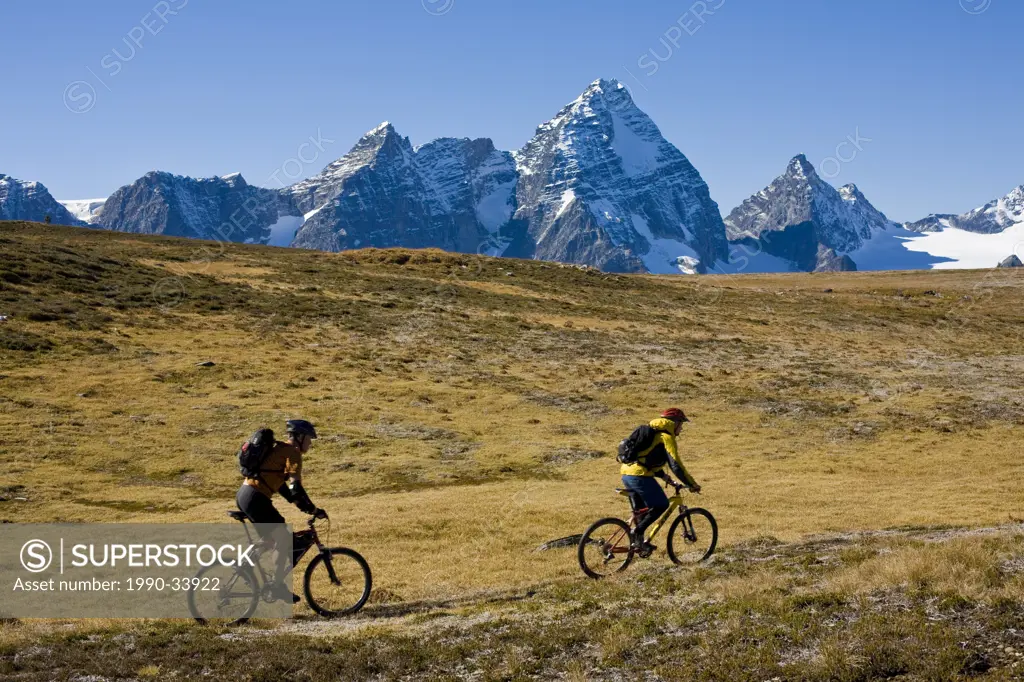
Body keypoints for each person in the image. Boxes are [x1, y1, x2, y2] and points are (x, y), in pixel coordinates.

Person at [235, 419, 327, 603]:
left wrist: (298, 503)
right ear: (299, 437)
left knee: (271, 538)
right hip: (255, 497)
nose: (310, 443)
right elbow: (295, 488)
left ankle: (245, 565)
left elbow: (281, 486)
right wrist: (313, 509)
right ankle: (276, 586)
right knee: (283, 537)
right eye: (309, 439)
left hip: (245, 494)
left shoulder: (280, 449)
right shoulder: (292, 453)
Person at [620, 408, 701, 555]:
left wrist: (665, 477)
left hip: (627, 474)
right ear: (674, 423)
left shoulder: (653, 433)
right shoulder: (665, 437)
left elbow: (646, 460)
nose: (681, 429)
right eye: (681, 424)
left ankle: (639, 545)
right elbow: (676, 465)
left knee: (642, 513)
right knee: (661, 504)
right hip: (639, 476)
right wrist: (691, 484)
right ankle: (636, 532)